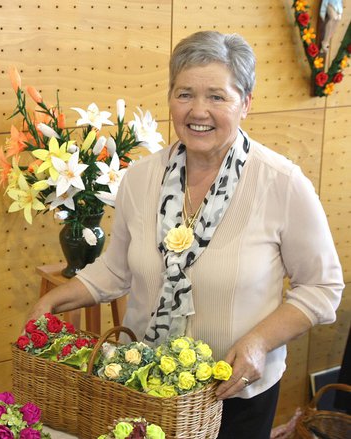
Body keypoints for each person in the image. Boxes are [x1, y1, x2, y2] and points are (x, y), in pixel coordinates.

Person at [27, 31, 343, 438]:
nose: (198, 110)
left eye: (217, 96)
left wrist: (259, 343)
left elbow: (321, 286)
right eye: (184, 94)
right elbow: (115, 270)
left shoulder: (281, 183)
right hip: (145, 385)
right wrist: (53, 300)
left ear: (246, 102)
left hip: (234, 395)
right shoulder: (140, 179)